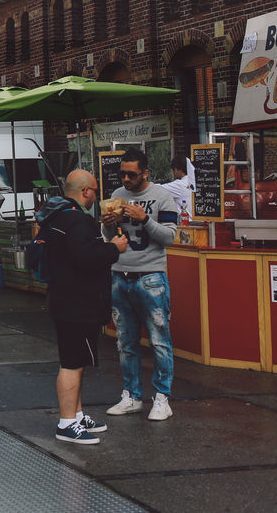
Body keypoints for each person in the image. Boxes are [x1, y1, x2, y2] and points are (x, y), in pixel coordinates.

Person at [40, 170, 128, 445]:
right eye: (95, 190)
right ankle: (67, 422)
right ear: (86, 191)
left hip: (62, 297)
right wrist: (114, 248)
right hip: (77, 301)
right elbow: (85, 258)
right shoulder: (79, 221)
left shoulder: (56, 215)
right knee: (72, 363)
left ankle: (76, 415)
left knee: (75, 360)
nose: (97, 196)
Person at [100, 148, 179, 421]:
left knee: (159, 340)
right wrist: (108, 225)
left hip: (151, 275)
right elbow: (110, 236)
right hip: (120, 273)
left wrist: (144, 219)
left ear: (145, 173)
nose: (125, 179)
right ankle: (132, 395)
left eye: (131, 174)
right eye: (122, 173)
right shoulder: (117, 196)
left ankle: (161, 398)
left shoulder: (162, 197)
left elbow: (169, 237)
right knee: (125, 341)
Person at [160, 157, 192, 224]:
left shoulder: (180, 185)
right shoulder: (196, 181)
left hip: (187, 224)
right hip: (202, 223)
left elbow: (157, 189)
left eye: (173, 170)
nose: (173, 173)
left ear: (178, 170)